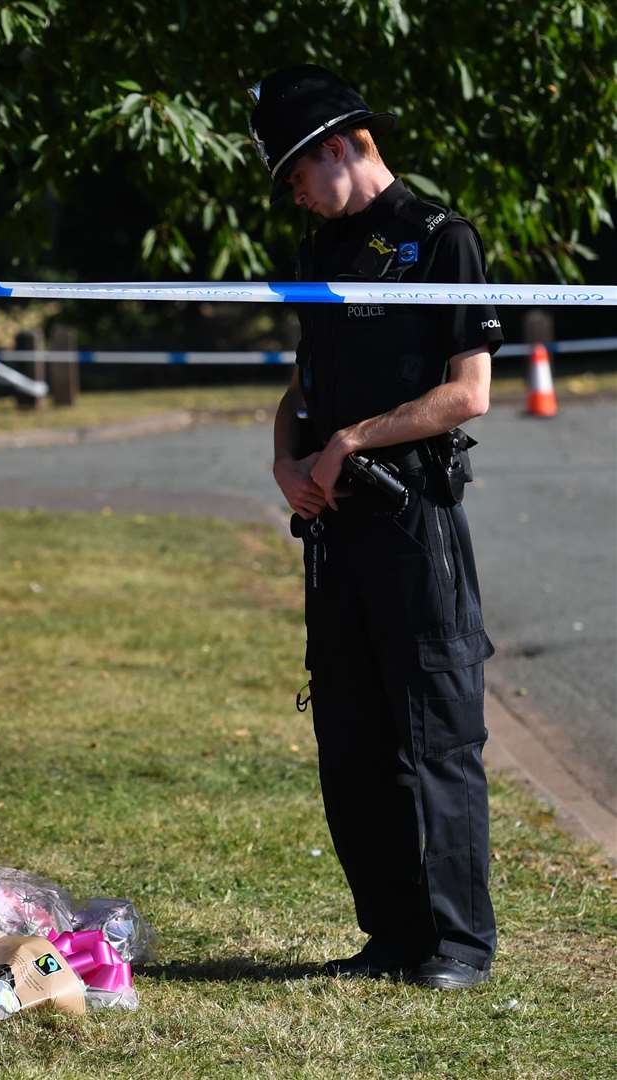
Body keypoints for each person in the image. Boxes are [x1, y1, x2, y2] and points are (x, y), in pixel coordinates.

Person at [249, 65, 501, 990]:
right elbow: (299, 387)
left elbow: (466, 392)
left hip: (413, 518)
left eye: (295, 175)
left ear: (338, 147)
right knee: (350, 733)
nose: (295, 194)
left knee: (433, 730)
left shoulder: (440, 239)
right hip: (334, 531)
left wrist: (353, 440)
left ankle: (456, 944)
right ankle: (389, 934)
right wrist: (287, 459)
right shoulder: (317, 254)